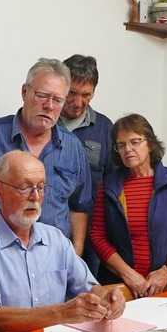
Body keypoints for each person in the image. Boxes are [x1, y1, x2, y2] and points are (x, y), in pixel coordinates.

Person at [0, 150, 125, 332]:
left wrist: (109, 299)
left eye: (41, 187)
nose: (35, 197)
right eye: (24, 188)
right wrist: (62, 312)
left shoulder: (55, 239)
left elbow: (90, 288)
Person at [0, 58, 92, 255]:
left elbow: (78, 207)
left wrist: (76, 254)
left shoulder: (73, 147)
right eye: (42, 95)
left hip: (53, 261)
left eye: (58, 100)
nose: (49, 105)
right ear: (24, 92)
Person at [90, 114, 167, 298]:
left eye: (135, 142)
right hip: (122, 289)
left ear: (150, 144)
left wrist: (166, 272)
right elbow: (98, 236)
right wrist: (128, 275)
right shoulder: (109, 185)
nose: (128, 149)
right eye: (121, 145)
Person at [58, 54, 115, 277]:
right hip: (48, 226)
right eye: (72, 93)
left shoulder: (104, 128)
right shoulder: (45, 122)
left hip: (91, 232)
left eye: (86, 95)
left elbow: (113, 181)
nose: (78, 102)